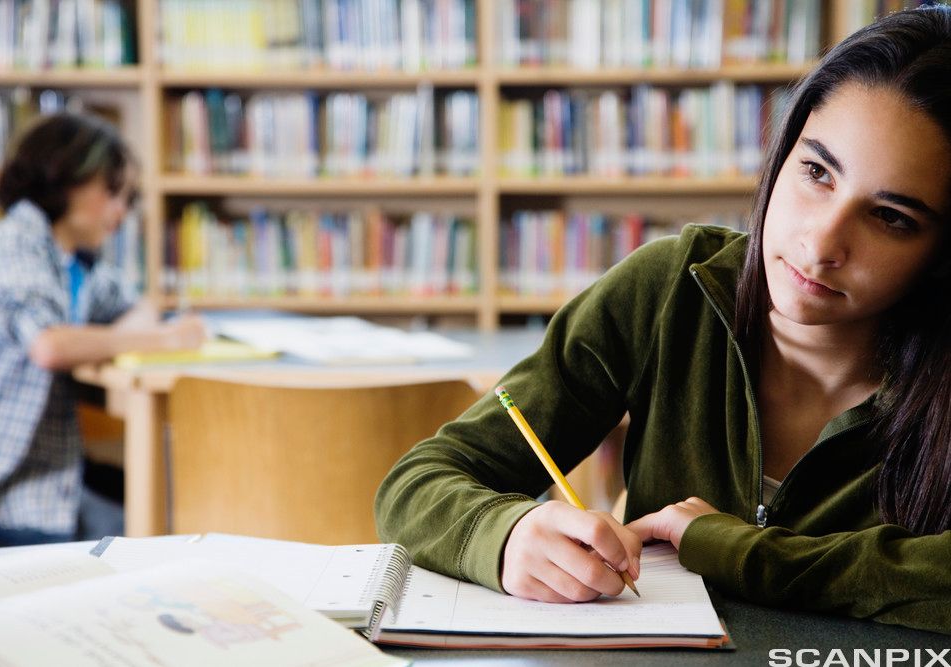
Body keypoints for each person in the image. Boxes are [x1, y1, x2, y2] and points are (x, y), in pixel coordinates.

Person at [375, 6, 951, 634]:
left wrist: (742, 554)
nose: (820, 244)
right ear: (782, 156)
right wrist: (506, 535)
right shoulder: (668, 290)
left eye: (891, 217)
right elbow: (417, 484)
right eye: (816, 172)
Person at [0, 112, 206, 546]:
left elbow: (136, 306)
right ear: (64, 178)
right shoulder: (13, 242)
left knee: (166, 507)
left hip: (45, 470)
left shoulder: (74, 260)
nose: (121, 212)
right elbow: (50, 346)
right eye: (112, 193)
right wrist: (161, 340)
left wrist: (138, 330)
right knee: (152, 532)